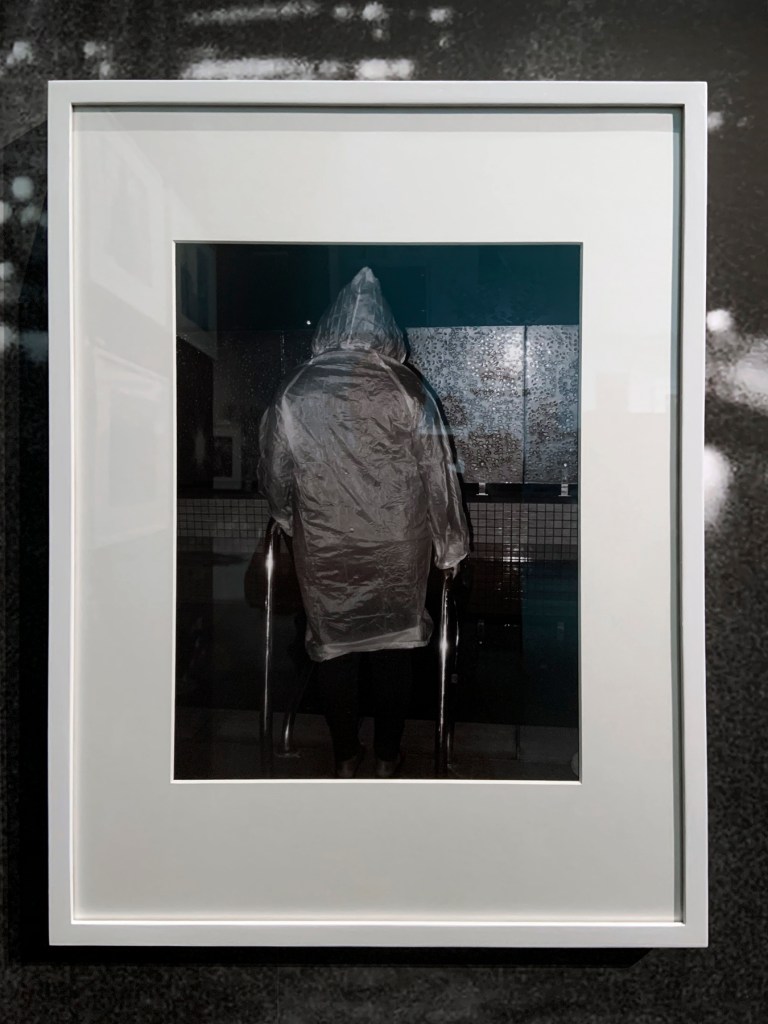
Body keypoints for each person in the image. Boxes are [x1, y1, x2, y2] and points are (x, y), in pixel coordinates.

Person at [258, 267, 468, 778]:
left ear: (329, 324)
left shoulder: (295, 391)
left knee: (334, 650)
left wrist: (287, 517)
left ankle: (345, 755)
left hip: (327, 546)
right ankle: (389, 757)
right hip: (398, 544)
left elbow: (274, 471)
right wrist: (450, 546)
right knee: (395, 648)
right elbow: (439, 474)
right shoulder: (406, 389)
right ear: (386, 329)